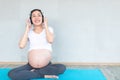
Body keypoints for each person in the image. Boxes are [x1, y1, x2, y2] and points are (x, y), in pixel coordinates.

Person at [8, 9, 66, 80]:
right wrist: (27, 28)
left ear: (43, 18)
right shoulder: (29, 33)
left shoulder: (49, 29)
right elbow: (21, 45)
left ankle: (34, 73)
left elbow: (50, 40)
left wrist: (46, 25)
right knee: (11, 73)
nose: (36, 18)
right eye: (33, 16)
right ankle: (42, 74)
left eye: (39, 15)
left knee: (62, 68)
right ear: (31, 20)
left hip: (46, 65)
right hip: (30, 66)